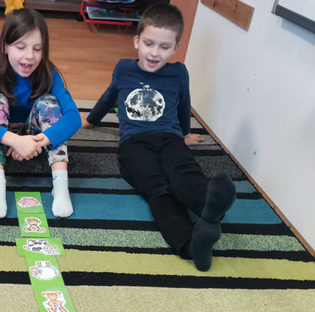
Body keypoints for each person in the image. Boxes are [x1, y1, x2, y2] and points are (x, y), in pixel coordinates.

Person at [83, 4, 236, 271]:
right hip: (133, 142)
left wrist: (185, 133)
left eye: (164, 47)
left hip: (169, 137)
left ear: (176, 47)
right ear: (136, 41)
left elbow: (183, 105)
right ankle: (191, 245)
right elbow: (109, 97)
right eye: (149, 44)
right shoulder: (123, 69)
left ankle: (207, 204)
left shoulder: (179, 72)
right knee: (158, 187)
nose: (155, 53)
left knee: (182, 171)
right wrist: (92, 119)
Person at [0, 8, 81, 219]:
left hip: (33, 134)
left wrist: (36, 142)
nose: (30, 56)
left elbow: (74, 118)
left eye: (37, 49)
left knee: (49, 103)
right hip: (2, 133)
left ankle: (60, 184)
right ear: (5, 46)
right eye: (21, 47)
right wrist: (14, 141)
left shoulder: (49, 73)